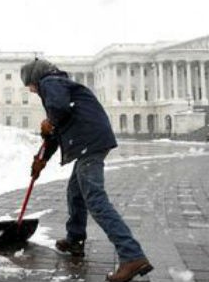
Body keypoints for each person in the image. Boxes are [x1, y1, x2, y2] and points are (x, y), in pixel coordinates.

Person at [20, 58, 153, 282]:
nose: (30, 90)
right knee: (76, 193)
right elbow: (55, 131)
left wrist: (50, 121)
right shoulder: (57, 88)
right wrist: (40, 160)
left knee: (95, 199)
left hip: (89, 143)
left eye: (29, 84)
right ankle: (75, 239)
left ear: (35, 78)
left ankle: (132, 255)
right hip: (90, 141)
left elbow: (59, 112)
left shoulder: (51, 82)